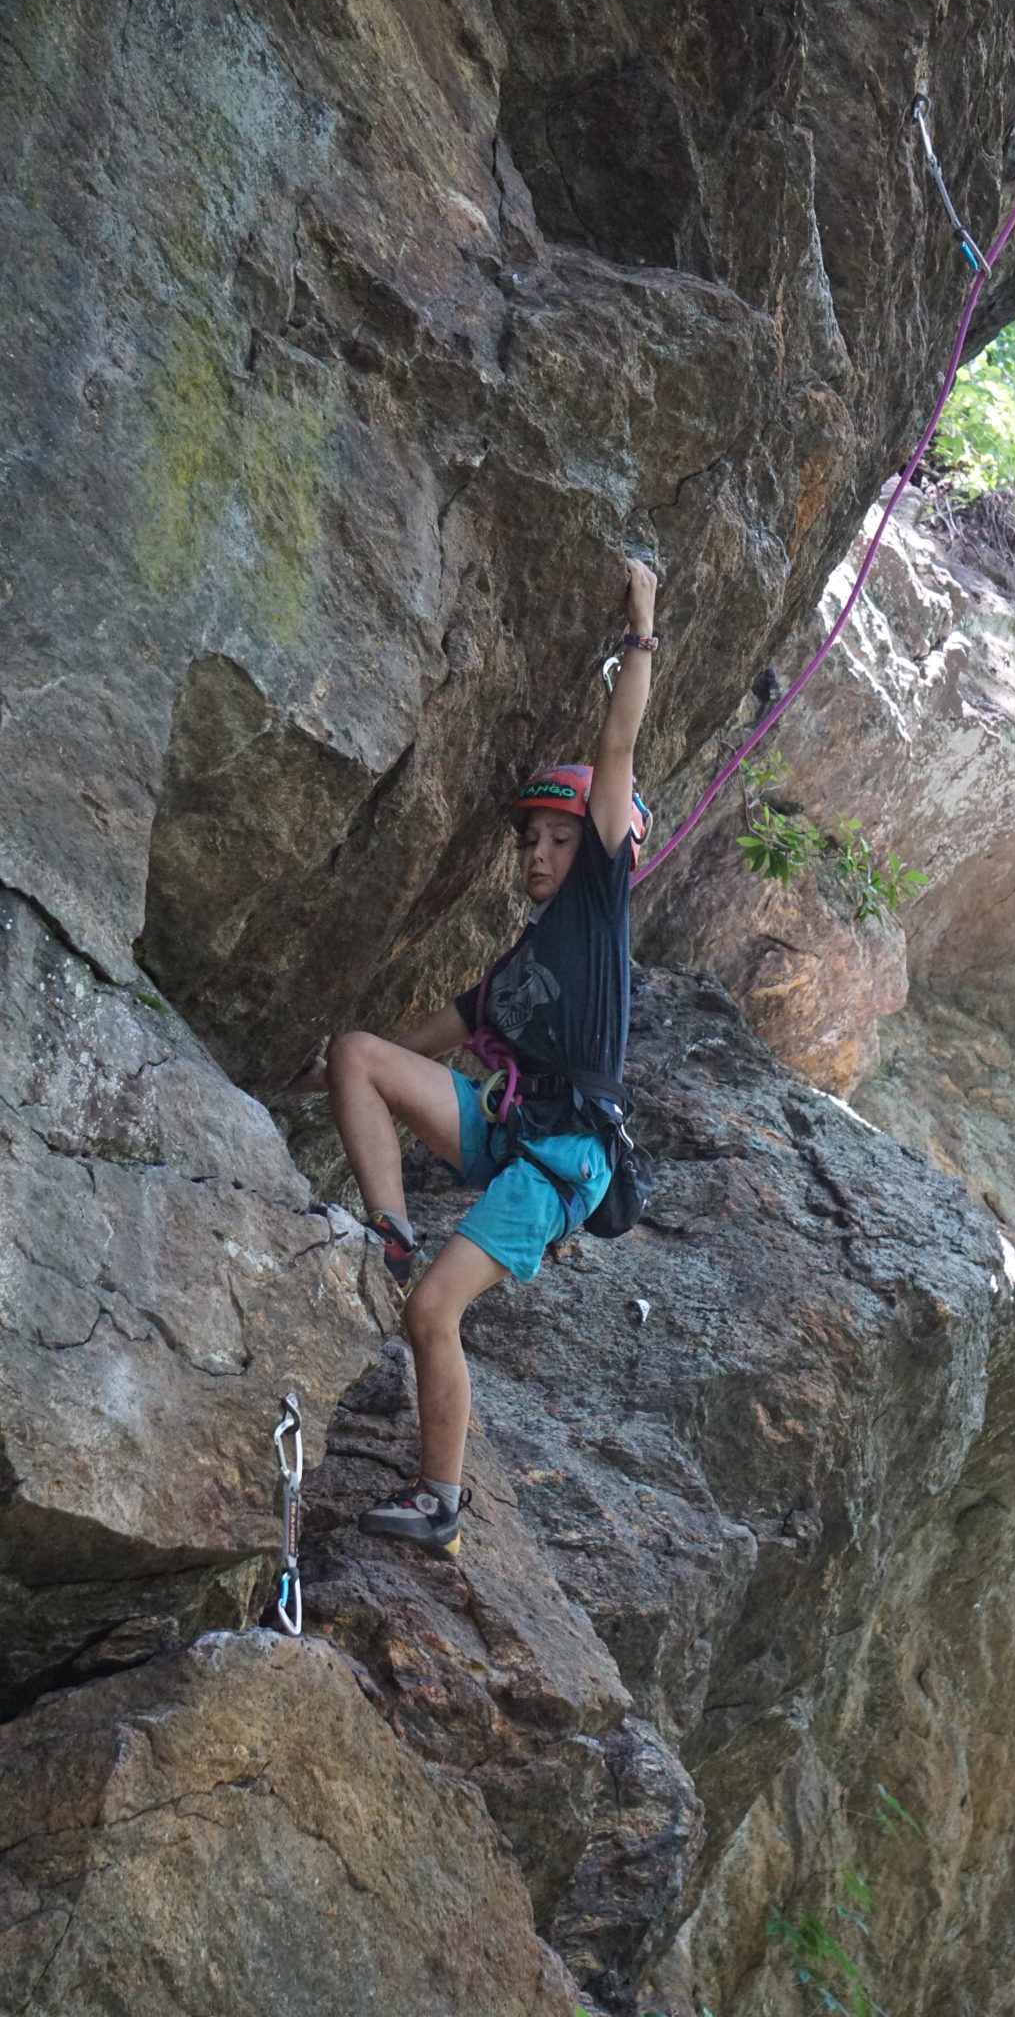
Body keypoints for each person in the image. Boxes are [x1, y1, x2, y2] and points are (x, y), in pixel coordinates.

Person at [292, 556, 658, 1558]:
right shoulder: (516, 965)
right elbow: (419, 1045)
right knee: (357, 1050)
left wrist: (643, 624)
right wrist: (319, 1075)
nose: (540, 855)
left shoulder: (596, 906)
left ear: (597, 847)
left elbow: (618, 742)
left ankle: (442, 1497)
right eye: (530, 841)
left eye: (558, 837)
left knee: (432, 1310)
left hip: (564, 1153)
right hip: (511, 1127)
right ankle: (391, 1224)